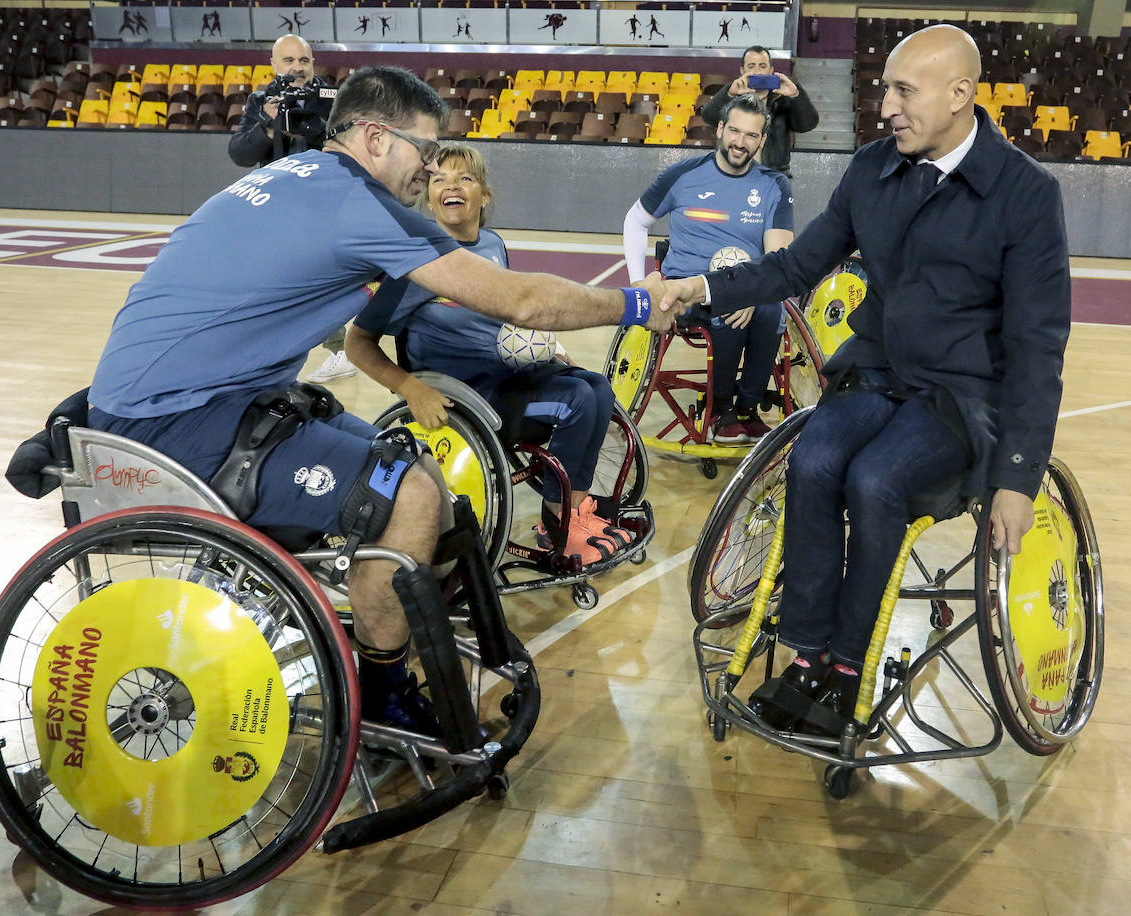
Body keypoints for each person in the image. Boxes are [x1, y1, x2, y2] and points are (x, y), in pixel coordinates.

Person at [87, 66, 673, 734]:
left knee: (420, 479)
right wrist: (636, 301)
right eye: (423, 152)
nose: (428, 171)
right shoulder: (357, 205)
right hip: (177, 419)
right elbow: (523, 301)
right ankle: (382, 697)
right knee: (413, 498)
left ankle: (382, 613)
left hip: (185, 398)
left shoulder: (291, 175)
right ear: (373, 137)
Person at [658, 25, 1071, 726]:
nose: (885, 106)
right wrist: (703, 289)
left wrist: (1019, 476)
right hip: (877, 373)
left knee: (876, 478)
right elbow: (793, 267)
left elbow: (1038, 345)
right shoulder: (874, 169)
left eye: (903, 91)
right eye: (885, 89)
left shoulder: (1025, 193)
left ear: (959, 95)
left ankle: (851, 666)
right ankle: (807, 654)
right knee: (814, 459)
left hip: (962, 397)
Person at [347, 142, 634, 566]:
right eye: (439, 178)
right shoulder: (420, 266)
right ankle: (557, 525)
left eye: (465, 177)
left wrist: (550, 345)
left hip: (507, 376)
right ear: (429, 196)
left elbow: (506, 314)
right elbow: (357, 343)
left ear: (485, 196)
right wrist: (409, 387)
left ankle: (574, 509)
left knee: (597, 387)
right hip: (468, 396)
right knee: (578, 401)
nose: (451, 185)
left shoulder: (493, 245)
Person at [623, 93, 793, 443]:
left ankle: (747, 409)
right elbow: (635, 221)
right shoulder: (684, 174)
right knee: (726, 309)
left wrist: (751, 291)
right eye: (734, 131)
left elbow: (778, 255)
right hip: (685, 293)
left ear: (762, 141)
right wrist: (638, 282)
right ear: (719, 128)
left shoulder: (774, 186)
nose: (740, 142)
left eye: (750, 135)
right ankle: (719, 410)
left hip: (747, 287)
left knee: (771, 310)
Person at [228, 35, 354, 384]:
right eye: (288, 61)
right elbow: (240, 154)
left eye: (303, 60)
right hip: (273, 205)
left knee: (316, 278)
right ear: (273, 64)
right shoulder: (261, 101)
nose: (297, 67)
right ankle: (270, 352)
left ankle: (341, 350)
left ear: (313, 63)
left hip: (321, 203)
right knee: (269, 277)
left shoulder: (334, 99)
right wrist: (268, 124)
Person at [698, 46, 819, 175]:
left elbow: (807, 125)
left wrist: (796, 96)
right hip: (733, 174)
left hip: (773, 176)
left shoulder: (783, 99)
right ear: (742, 70)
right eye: (751, 66)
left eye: (762, 66)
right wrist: (729, 94)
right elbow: (708, 117)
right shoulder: (732, 95)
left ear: (771, 70)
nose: (757, 71)